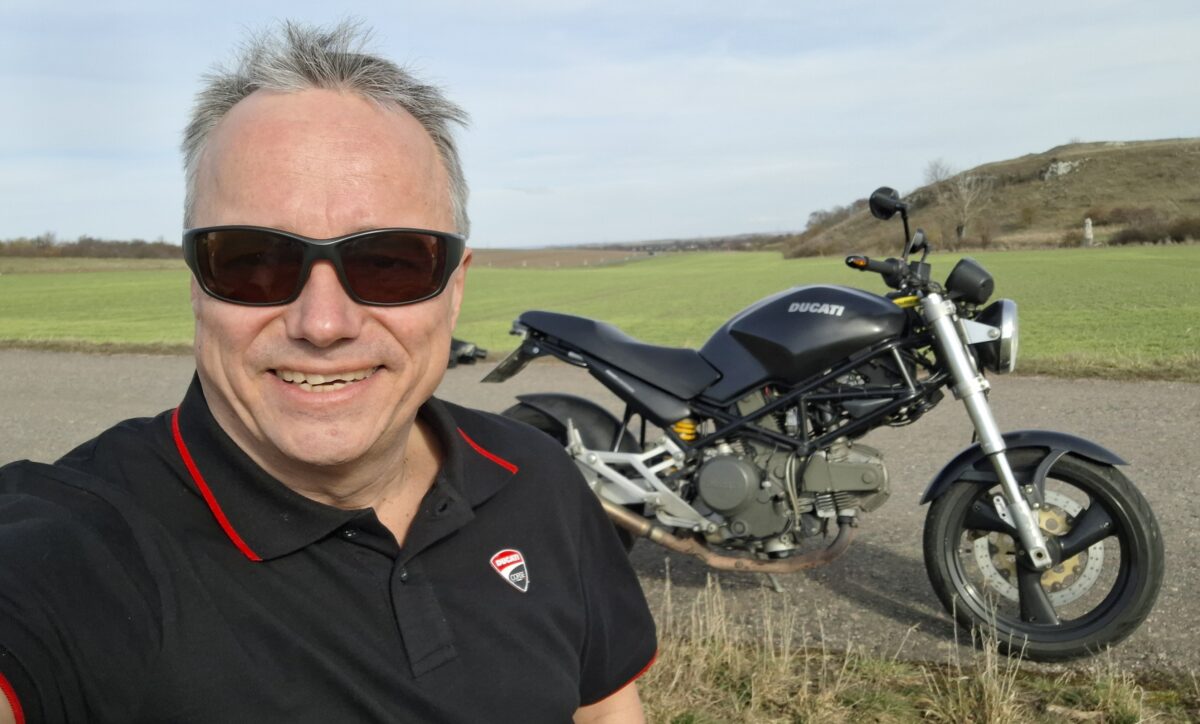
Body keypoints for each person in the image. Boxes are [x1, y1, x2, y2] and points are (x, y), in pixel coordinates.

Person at [0, 21, 656, 723]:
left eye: (389, 263)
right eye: (253, 262)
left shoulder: (538, 476)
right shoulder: (77, 549)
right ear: (197, 284)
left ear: (454, 288)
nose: (322, 323)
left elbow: (604, 710)